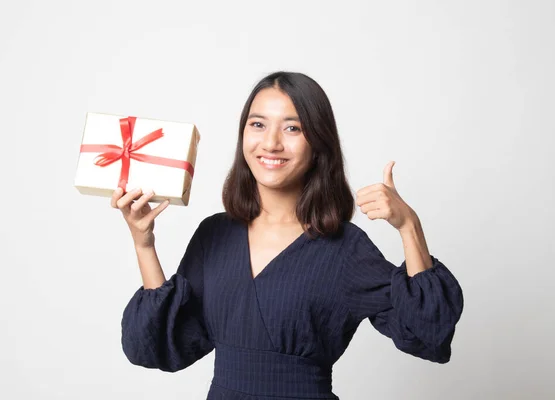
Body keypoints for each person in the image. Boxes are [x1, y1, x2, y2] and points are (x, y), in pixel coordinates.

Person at [113, 71, 464, 400]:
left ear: (318, 145)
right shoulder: (214, 235)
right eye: (258, 124)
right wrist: (144, 244)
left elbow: (427, 331)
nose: (271, 143)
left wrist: (409, 227)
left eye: (292, 128)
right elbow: (163, 344)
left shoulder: (345, 248)